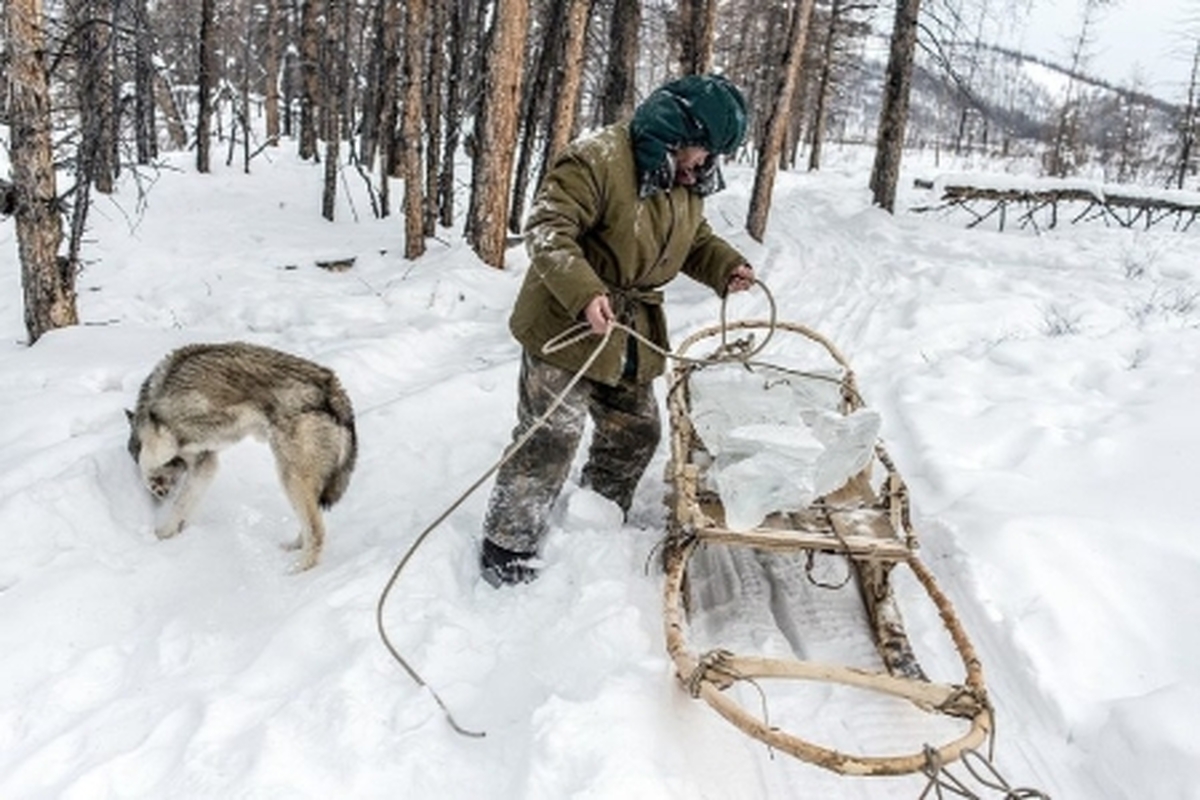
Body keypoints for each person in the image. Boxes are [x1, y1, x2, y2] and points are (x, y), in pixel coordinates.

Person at [481, 73, 756, 587]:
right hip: (566, 319)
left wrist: (724, 266)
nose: (703, 167)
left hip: (628, 329)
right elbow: (547, 227)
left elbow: (693, 238)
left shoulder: (682, 180)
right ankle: (507, 545)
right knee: (551, 435)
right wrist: (585, 292)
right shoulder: (597, 159)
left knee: (637, 430)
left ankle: (596, 516)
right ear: (672, 134)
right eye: (701, 152)